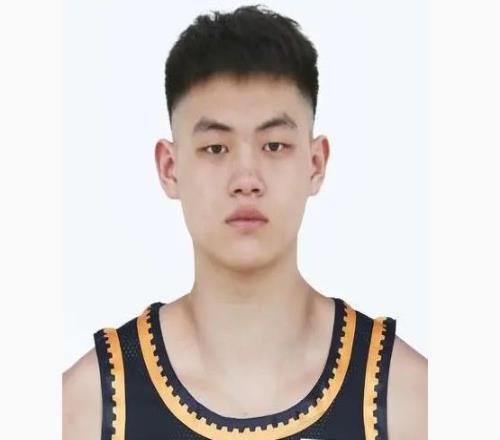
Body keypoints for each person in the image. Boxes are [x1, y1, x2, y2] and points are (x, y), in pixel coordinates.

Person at [63, 5, 427, 440]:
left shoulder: (408, 398)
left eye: (274, 145)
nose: (247, 179)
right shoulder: (90, 406)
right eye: (216, 148)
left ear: (315, 163)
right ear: (169, 168)